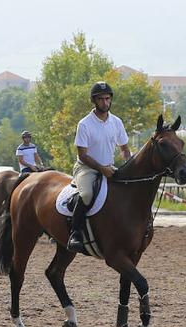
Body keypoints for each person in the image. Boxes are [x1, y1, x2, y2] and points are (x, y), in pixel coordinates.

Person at [67, 81, 131, 252]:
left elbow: (124, 149)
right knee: (87, 194)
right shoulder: (85, 124)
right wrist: (101, 169)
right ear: (94, 101)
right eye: (101, 99)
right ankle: (75, 234)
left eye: (108, 98)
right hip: (86, 168)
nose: (105, 102)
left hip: (109, 167)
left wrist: (128, 163)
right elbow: (82, 155)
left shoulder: (116, 122)